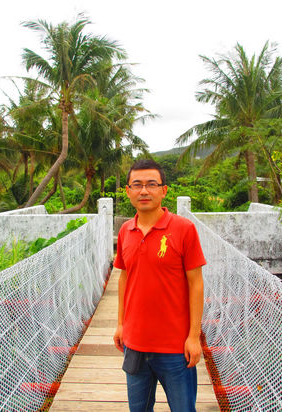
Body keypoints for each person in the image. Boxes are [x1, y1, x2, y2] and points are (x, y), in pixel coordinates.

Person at [113, 159, 206, 412]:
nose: (144, 191)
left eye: (151, 184)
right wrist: (121, 324)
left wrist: (194, 337)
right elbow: (124, 278)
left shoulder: (184, 229)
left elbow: (196, 283)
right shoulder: (125, 230)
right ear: (128, 191)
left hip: (175, 347)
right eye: (137, 185)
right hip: (135, 343)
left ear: (164, 190)